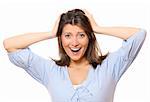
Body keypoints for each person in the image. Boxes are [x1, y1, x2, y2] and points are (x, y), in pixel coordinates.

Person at [3, 9, 146, 102]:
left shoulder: (109, 67)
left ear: (89, 38)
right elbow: (10, 45)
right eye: (68, 35)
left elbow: (139, 35)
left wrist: (97, 28)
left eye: (81, 35)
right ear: (61, 39)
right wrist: (51, 34)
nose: (74, 42)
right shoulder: (50, 71)